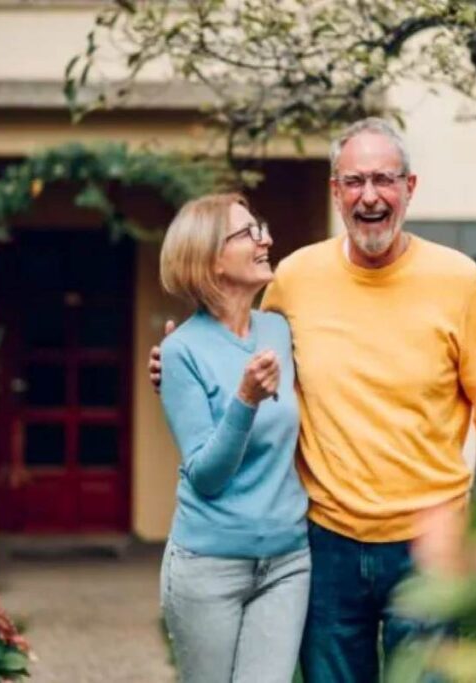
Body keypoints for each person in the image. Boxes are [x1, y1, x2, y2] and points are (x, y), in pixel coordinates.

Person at [152, 119, 476, 682]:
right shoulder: (295, 278)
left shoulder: (459, 280)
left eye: (383, 179)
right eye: (354, 181)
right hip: (324, 547)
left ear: (410, 188)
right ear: (335, 191)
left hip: (432, 546)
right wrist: (173, 363)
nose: (369, 195)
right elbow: (231, 339)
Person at [156, 193, 311, 683]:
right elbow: (206, 475)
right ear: (211, 261)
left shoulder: (279, 329)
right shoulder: (181, 351)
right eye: (248, 233)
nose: (265, 239)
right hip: (209, 564)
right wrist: (244, 400)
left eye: (259, 226)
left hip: (287, 559)